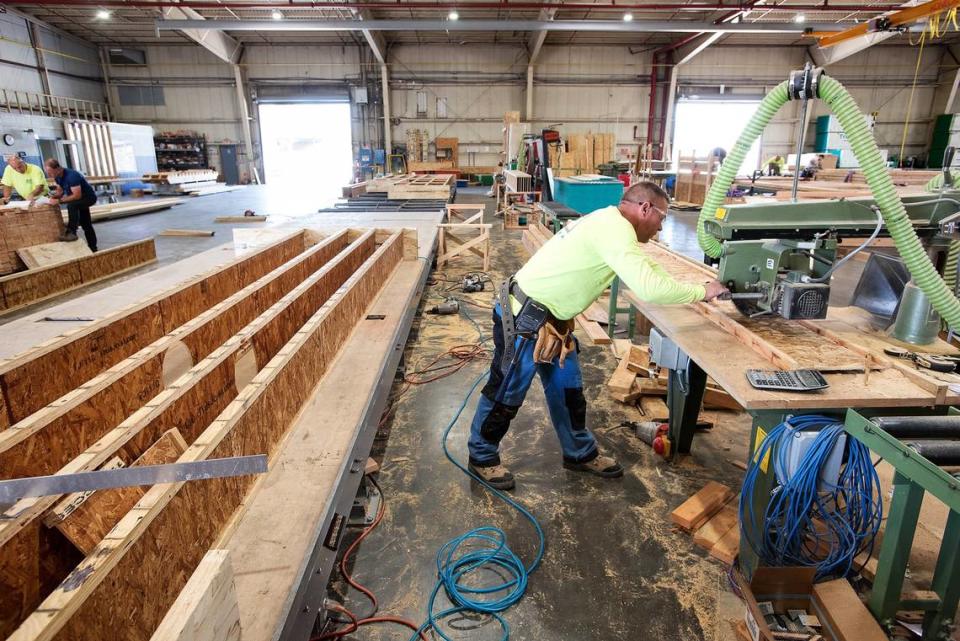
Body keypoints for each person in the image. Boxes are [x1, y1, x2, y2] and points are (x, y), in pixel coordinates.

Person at [467, 181, 729, 490]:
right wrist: (703, 291)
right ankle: (482, 457)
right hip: (525, 317)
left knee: (569, 393)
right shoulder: (614, 230)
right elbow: (649, 288)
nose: (661, 227)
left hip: (552, 320)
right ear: (645, 208)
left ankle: (578, 453)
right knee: (506, 393)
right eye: (663, 217)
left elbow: (648, 270)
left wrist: (698, 285)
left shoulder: (611, 222)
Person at [45, 159, 97, 251]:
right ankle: (93, 248)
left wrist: (59, 201)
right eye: (47, 172)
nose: (49, 175)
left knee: (71, 205)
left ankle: (72, 232)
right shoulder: (57, 176)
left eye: (50, 172)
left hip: (88, 198)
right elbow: (60, 190)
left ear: (58, 169)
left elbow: (77, 196)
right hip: (79, 200)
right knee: (86, 224)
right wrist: (55, 196)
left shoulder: (72, 176)